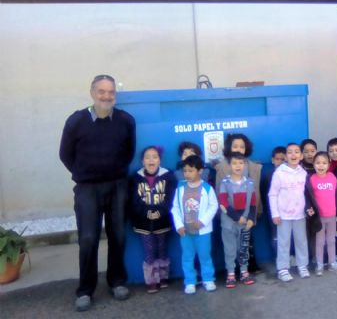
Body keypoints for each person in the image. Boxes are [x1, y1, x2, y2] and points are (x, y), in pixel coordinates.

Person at [59, 74, 135, 311]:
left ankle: (117, 281)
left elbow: (129, 152)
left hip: (117, 186)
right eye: (101, 91)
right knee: (88, 238)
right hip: (87, 189)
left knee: (118, 235)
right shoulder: (76, 121)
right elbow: (65, 155)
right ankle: (85, 290)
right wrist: (85, 173)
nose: (106, 96)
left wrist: (113, 172)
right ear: (92, 92)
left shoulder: (125, 121)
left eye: (111, 92)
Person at [129, 146, 176, 293]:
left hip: (162, 221)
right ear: (142, 161)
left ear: (159, 160)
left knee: (162, 248)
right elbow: (133, 201)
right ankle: (151, 280)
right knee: (149, 250)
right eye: (147, 157)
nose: (151, 160)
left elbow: (171, 198)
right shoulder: (135, 179)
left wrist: (160, 211)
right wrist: (147, 212)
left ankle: (163, 277)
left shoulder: (168, 176)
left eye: (155, 157)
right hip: (143, 222)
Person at [171, 155, 219, 294]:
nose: (187, 174)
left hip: (202, 231)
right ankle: (190, 281)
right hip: (185, 232)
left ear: (200, 171)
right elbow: (175, 208)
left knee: (205, 256)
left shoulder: (207, 188)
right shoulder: (180, 188)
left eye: (191, 170)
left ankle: (208, 279)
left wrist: (203, 221)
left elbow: (213, 206)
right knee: (187, 257)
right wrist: (179, 225)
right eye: (185, 171)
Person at [269, 143, 312, 282]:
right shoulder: (279, 173)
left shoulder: (304, 173)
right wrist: (275, 214)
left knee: (301, 241)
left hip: (300, 214)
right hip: (283, 215)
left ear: (300, 156)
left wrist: (309, 208)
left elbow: (308, 194)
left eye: (296, 152)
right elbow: (273, 194)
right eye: (290, 152)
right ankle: (283, 268)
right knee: (283, 242)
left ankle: (302, 265)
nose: (293, 155)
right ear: (286, 157)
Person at [306, 152, 337, 276]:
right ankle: (319, 265)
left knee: (331, 240)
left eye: (324, 163)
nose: (321, 166)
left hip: (332, 216)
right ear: (313, 164)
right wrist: (309, 208)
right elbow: (307, 197)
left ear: (329, 164)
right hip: (319, 217)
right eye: (318, 163)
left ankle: (332, 263)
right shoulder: (311, 179)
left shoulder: (332, 177)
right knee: (320, 242)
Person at [218, 152, 257, 288]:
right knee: (230, 249)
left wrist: (251, 218)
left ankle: (244, 272)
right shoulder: (225, 183)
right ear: (229, 165)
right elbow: (223, 204)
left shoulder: (250, 183)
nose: (238, 166)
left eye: (241, 163)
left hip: (245, 223)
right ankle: (230, 274)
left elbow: (252, 203)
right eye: (234, 163)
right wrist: (236, 217)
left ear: (245, 165)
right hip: (229, 224)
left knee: (244, 248)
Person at [215, 133, 262, 214]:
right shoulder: (222, 168)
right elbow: (219, 194)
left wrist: (253, 214)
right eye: (235, 147)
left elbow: (256, 193)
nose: (238, 149)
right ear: (229, 148)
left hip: (249, 214)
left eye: (242, 147)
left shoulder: (254, 168)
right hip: (229, 215)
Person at [260, 146, 286, 255]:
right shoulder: (267, 175)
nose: (280, 162)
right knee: (276, 237)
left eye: (283, 159)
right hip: (273, 213)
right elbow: (264, 193)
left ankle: (290, 258)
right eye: (277, 159)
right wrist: (269, 211)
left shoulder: (290, 175)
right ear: (272, 160)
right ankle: (278, 259)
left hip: (288, 212)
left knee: (288, 236)